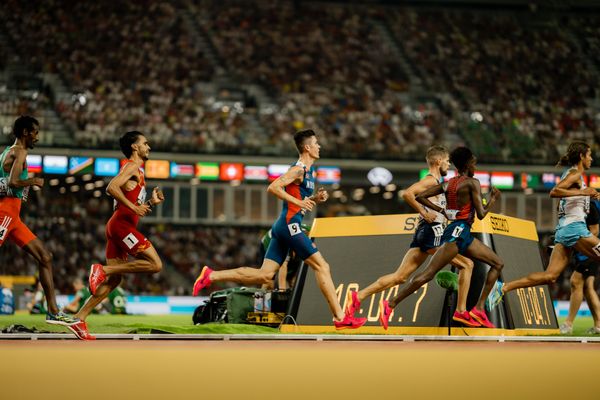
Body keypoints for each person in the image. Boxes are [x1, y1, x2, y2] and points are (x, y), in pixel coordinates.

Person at [192, 129, 366, 329]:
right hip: (289, 225)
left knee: (264, 275)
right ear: (307, 147)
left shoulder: (308, 173)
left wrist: (313, 199)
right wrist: (299, 203)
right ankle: (339, 317)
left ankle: (211, 275)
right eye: (316, 143)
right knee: (322, 266)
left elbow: (297, 201)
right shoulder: (298, 170)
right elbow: (273, 187)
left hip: (284, 226)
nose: (320, 146)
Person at [345, 146, 478, 327]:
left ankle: (359, 296)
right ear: (438, 161)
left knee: (400, 277)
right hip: (432, 231)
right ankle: (462, 312)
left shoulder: (437, 182)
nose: (449, 164)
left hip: (425, 232)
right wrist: (424, 212)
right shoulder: (431, 181)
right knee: (467, 264)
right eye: (446, 161)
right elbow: (407, 193)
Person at [379, 146, 503, 329]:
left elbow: (420, 196)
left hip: (461, 233)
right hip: (458, 234)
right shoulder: (472, 183)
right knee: (427, 274)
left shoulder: (449, 184)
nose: (475, 166)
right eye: (474, 163)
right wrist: (493, 199)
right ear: (468, 164)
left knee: (498, 263)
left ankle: (477, 310)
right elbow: (482, 214)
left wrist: (441, 210)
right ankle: (390, 304)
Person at [68, 131, 165, 340]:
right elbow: (111, 187)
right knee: (155, 265)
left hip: (119, 226)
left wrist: (149, 204)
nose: (149, 147)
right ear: (135, 147)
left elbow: (132, 207)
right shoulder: (131, 166)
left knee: (114, 281)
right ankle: (101, 269)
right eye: (145, 143)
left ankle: (79, 317)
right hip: (121, 227)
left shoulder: (137, 172)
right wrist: (134, 207)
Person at [491, 142, 600, 314]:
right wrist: (582, 193)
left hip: (565, 230)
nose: (592, 158)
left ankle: (503, 287)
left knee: (550, 276)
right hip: (574, 229)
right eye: (589, 154)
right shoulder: (575, 173)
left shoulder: (574, 175)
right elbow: (554, 191)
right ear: (581, 156)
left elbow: (562, 204)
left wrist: (588, 195)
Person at [0, 116, 79, 328]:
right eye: (35, 132)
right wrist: (34, 180)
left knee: (45, 256)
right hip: (4, 214)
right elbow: (13, 182)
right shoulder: (20, 151)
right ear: (25, 132)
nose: (37, 136)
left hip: (13, 217)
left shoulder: (7, 152)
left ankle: (53, 311)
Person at [560, 200, 600, 335]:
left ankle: (568, 324)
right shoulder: (575, 204)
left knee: (575, 281)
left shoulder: (590, 204)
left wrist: (578, 244)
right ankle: (598, 324)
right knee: (588, 287)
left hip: (590, 250)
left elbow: (594, 230)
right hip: (585, 250)